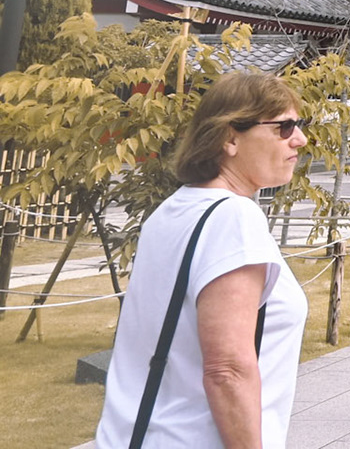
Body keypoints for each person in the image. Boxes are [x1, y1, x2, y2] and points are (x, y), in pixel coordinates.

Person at [95, 72, 311, 449]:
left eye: (299, 125)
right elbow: (227, 370)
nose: (300, 139)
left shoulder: (173, 209)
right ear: (230, 137)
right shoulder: (233, 218)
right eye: (284, 127)